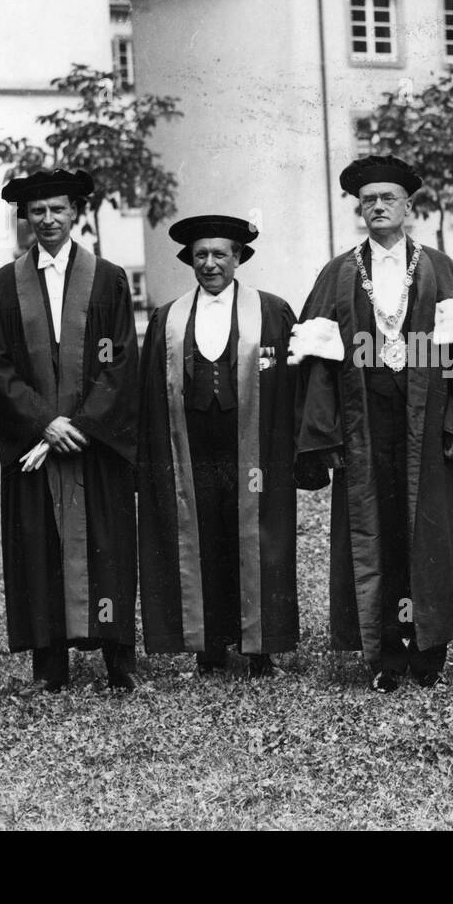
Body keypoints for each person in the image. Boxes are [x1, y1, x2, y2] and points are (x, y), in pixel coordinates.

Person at [292, 154, 453, 691]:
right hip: (364, 423)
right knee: (376, 535)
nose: (379, 206)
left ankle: (429, 652)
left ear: (409, 207)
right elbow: (319, 364)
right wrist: (328, 434)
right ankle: (385, 654)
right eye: (369, 200)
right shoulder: (338, 273)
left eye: (389, 198)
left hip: (428, 424)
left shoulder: (438, 267)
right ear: (359, 210)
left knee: (429, 532)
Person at [0, 169, 139, 694]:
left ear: (76, 213)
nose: (48, 219)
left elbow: (120, 359)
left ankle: (119, 661)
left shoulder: (110, 278)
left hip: (95, 441)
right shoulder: (1, 286)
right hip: (36, 442)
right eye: (37, 211)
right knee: (39, 547)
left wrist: (85, 423)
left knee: (108, 545)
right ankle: (50, 669)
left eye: (58, 209)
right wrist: (45, 423)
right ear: (25, 218)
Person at [138, 215, 314, 677]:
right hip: (192, 446)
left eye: (220, 254)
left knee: (256, 540)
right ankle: (209, 650)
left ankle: (260, 652)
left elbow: (296, 387)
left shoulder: (273, 311)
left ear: (239, 258)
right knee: (202, 541)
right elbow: (149, 394)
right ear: (190, 261)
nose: (210, 263)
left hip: (255, 446)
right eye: (201, 255)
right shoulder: (167, 318)